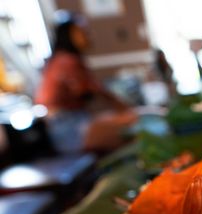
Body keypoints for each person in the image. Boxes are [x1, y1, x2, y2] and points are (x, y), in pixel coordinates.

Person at [35, 12, 137, 154]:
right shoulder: (67, 61)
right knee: (130, 125)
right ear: (69, 35)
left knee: (127, 122)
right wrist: (124, 109)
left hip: (69, 123)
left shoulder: (63, 59)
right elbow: (94, 92)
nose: (87, 35)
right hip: (67, 128)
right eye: (82, 32)